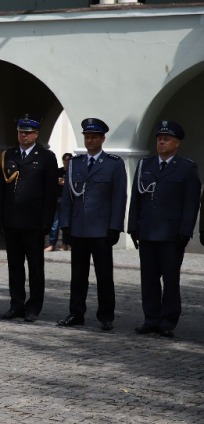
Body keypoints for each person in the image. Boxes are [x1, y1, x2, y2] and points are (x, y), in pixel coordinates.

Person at [128, 120, 201, 338]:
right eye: (159, 138)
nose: (161, 142)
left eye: (167, 139)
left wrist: (185, 232)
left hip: (171, 234)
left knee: (170, 279)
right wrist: (133, 226)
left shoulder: (187, 168)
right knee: (148, 279)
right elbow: (136, 199)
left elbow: (191, 203)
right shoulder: (145, 165)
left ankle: (168, 321)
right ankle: (150, 318)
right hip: (148, 230)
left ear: (176, 143)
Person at [57, 119, 127, 331]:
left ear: (102, 139)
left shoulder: (114, 164)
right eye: (87, 137)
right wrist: (65, 224)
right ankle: (76, 313)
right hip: (79, 227)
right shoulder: (76, 163)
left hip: (101, 229)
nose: (90, 140)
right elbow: (68, 197)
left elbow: (119, 198)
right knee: (78, 276)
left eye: (94, 137)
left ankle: (106, 315)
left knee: (104, 276)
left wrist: (115, 227)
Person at [0, 114, 58, 322]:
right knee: (14, 266)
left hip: (34, 222)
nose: (24, 136)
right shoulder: (9, 155)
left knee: (35, 267)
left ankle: (33, 307)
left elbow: (50, 192)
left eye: (28, 133)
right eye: (21, 132)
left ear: (36, 134)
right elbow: (1, 190)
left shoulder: (46, 157)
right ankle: (16, 304)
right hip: (12, 221)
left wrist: (47, 221)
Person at [46, 152, 73, 251]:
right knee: (55, 224)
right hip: (57, 199)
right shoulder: (58, 171)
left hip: (68, 200)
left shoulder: (73, 173)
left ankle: (65, 244)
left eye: (68, 161)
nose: (67, 163)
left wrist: (66, 183)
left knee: (65, 224)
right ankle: (52, 244)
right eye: (65, 161)